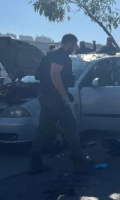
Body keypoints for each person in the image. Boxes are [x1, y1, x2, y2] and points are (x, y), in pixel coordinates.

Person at [29, 34, 94, 174]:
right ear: (69, 43)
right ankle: (77, 160)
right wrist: (64, 97)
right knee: (71, 126)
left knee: (43, 130)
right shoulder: (60, 55)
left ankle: (34, 162)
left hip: (47, 97)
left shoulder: (53, 53)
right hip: (56, 98)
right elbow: (55, 75)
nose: (76, 47)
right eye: (75, 44)